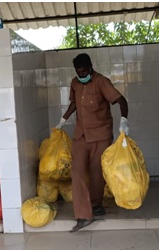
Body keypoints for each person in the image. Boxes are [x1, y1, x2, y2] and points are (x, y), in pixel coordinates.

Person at [55, 53, 129, 232]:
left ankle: (96, 204)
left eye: (84, 72)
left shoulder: (101, 82)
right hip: (80, 135)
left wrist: (124, 121)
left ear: (90, 68)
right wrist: (62, 121)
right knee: (77, 172)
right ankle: (83, 215)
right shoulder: (75, 83)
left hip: (101, 135)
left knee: (97, 173)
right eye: (78, 73)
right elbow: (74, 104)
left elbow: (121, 100)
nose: (81, 75)